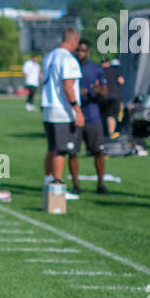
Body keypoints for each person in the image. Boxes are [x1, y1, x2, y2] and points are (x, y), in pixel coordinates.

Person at [40, 27, 83, 197]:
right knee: (61, 149)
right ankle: (57, 188)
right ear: (73, 41)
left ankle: (48, 181)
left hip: (48, 105)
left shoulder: (49, 56)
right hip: (61, 109)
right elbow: (68, 86)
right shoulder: (68, 59)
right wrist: (77, 110)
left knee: (52, 148)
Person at [75, 39, 110, 194]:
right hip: (74, 115)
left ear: (88, 52)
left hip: (92, 115)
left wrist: (97, 90)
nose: (80, 53)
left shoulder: (95, 68)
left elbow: (104, 91)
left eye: (83, 50)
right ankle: (76, 185)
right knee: (72, 152)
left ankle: (101, 184)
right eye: (77, 50)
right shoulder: (70, 66)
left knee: (99, 152)